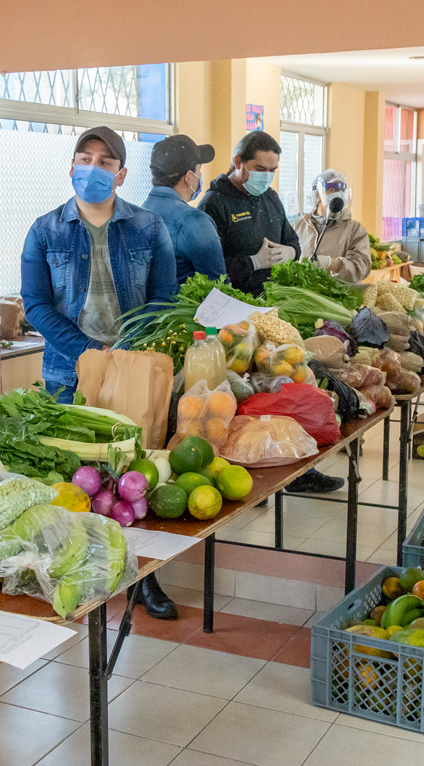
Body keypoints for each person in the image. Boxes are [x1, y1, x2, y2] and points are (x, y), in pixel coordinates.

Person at [21, 127, 178, 620]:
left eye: (105, 162)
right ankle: (81, 571)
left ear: (121, 174)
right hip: (68, 372)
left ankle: (144, 576)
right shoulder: (45, 231)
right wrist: (90, 351)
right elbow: (35, 305)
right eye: (84, 158)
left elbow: (165, 299)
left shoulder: (149, 227)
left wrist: (124, 350)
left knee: (136, 479)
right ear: (71, 167)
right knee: (75, 478)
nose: (93, 168)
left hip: (135, 367)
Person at [198, 131, 301, 297]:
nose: (266, 177)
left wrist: (291, 252)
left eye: (272, 170)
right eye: (260, 169)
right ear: (238, 162)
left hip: (275, 298)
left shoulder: (271, 197)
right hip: (235, 301)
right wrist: (254, 262)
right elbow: (207, 268)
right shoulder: (214, 204)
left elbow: (292, 239)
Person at [141, 134, 225, 285]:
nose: (200, 175)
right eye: (199, 169)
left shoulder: (137, 215)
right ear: (189, 177)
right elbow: (218, 287)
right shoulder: (195, 222)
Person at [295, 170, 371, 282]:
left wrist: (331, 263)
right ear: (317, 193)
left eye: (341, 190)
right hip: (303, 291)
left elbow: (362, 268)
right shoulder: (298, 227)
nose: (339, 194)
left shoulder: (355, 230)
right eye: (333, 190)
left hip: (339, 292)